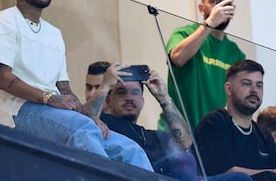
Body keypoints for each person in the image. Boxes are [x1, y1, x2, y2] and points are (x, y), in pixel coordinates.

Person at [0, 0, 154, 172]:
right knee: (82, 130)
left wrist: (90, 118)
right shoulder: (5, 21)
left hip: (52, 113)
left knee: (131, 150)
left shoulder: (54, 33)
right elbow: (1, 78)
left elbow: (64, 90)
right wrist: (50, 99)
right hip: (16, 110)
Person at [99, 66, 251, 181]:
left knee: (240, 178)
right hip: (137, 176)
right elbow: (83, 117)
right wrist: (105, 85)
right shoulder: (102, 123)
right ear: (108, 100)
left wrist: (163, 97)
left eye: (135, 93)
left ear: (143, 101)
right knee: (183, 160)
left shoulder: (152, 135)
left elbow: (185, 142)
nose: (129, 98)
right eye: (121, 92)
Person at [158, 0, 246, 131]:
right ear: (201, 7)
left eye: (226, 3)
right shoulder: (184, 33)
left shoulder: (236, 53)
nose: (219, 7)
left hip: (214, 136)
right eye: (213, 2)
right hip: (178, 134)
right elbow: (177, 58)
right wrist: (210, 22)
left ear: (233, 9)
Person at [194, 59, 276, 180]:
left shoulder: (264, 136)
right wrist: (270, 173)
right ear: (228, 89)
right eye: (247, 83)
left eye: (259, 85)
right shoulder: (214, 123)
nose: (254, 90)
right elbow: (227, 173)